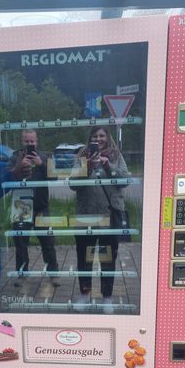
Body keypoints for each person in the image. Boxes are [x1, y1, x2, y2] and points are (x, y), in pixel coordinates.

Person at [71, 126, 129, 312]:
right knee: (84, 259)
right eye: (95, 136)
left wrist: (107, 165)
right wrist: (87, 166)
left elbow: (125, 180)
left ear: (107, 137)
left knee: (107, 259)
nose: (99, 138)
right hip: (85, 216)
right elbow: (73, 184)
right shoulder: (82, 156)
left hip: (109, 216)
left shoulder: (116, 155)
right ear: (90, 139)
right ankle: (84, 295)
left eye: (102, 135)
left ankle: (107, 298)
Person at [7, 129, 59, 287]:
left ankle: (53, 274)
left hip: (41, 206)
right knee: (21, 244)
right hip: (20, 205)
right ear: (22, 142)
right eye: (26, 141)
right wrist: (18, 165)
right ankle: (22, 275)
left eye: (32, 141)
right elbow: (8, 177)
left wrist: (41, 164)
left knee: (48, 242)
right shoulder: (15, 157)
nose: (30, 144)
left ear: (37, 142)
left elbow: (54, 176)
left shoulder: (44, 157)